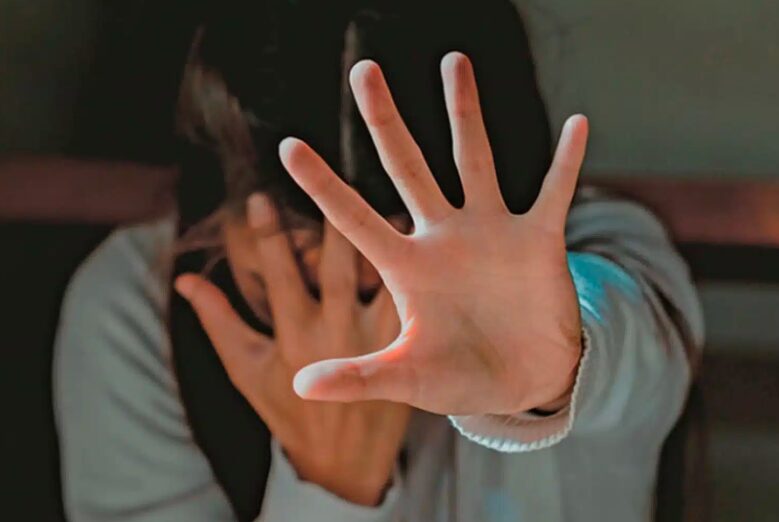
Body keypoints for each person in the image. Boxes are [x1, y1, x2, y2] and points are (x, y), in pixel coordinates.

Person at [53, 1, 704, 520]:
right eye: (296, 275)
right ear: (212, 222)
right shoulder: (136, 308)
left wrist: (559, 367)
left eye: (405, 253)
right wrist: (331, 486)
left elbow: (629, 348)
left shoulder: (601, 251)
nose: (351, 325)